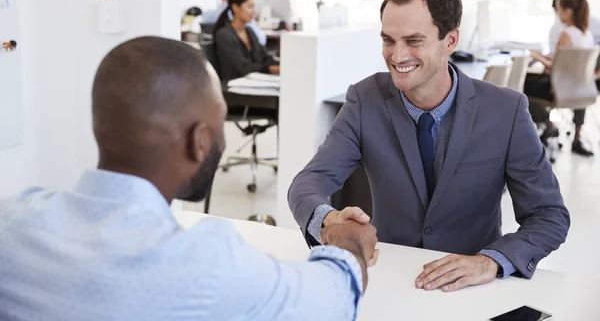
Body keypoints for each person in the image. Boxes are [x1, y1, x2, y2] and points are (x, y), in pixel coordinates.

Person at [0, 36, 378, 320]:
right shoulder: (207, 263)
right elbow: (334, 298)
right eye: (219, 123)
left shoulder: (12, 223)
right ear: (199, 140)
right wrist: (345, 242)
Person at [288, 0, 570, 293]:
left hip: (472, 289)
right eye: (388, 40)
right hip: (392, 281)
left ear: (450, 41)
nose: (396, 55)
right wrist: (329, 220)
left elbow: (549, 214)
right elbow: (307, 183)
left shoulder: (505, 111)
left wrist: (491, 261)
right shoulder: (364, 100)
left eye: (413, 41)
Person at [526, 0, 597, 156]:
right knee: (575, 83)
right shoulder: (586, 35)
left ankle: (549, 125)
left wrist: (536, 57)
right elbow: (568, 64)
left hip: (560, 89)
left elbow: (556, 68)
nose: (556, 13)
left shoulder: (567, 34)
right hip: (581, 89)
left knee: (520, 90)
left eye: (558, 9)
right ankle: (577, 137)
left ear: (568, 11)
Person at [214, 0, 279, 82]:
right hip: (235, 87)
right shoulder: (224, 35)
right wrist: (270, 69)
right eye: (250, 7)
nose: (254, 11)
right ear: (236, 8)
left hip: (253, 82)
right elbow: (243, 68)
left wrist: (282, 64)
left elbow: (264, 57)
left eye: (254, 7)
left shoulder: (249, 31)